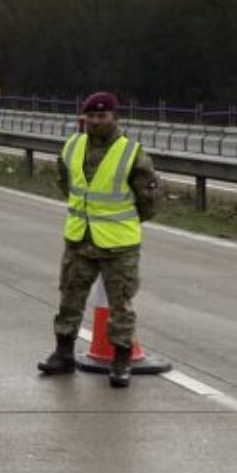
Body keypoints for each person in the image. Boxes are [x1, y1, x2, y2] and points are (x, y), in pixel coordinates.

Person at [37, 92, 160, 387]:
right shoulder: (73, 145)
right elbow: (65, 183)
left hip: (119, 243)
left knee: (121, 305)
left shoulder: (131, 153)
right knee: (70, 298)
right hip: (80, 238)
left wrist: (125, 221)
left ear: (115, 118)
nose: (95, 121)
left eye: (102, 116)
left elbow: (149, 199)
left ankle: (120, 361)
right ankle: (63, 354)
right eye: (90, 116)